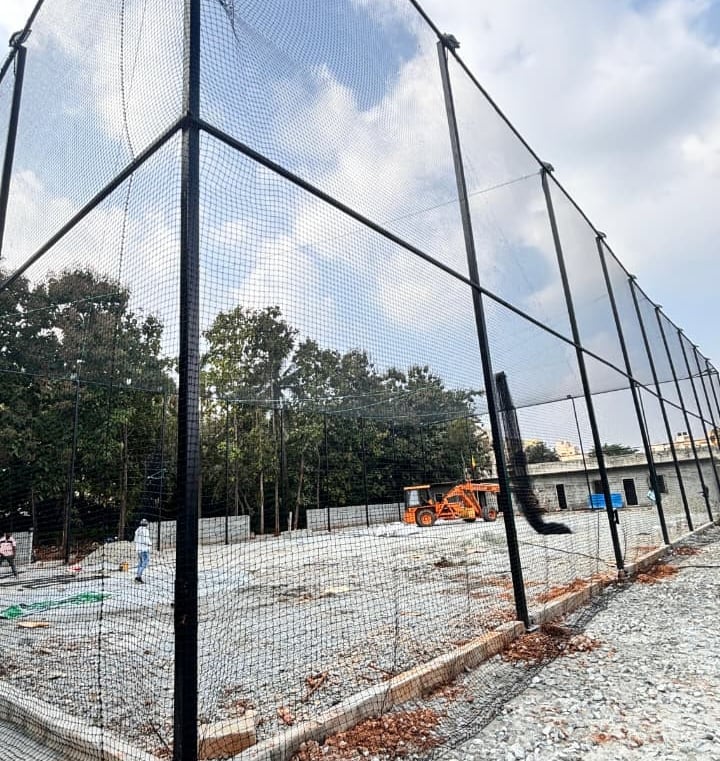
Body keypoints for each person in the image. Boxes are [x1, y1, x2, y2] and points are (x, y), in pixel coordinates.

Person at [133, 519, 151, 583]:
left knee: (140, 563)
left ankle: (138, 576)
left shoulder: (137, 530)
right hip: (144, 549)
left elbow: (135, 540)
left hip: (138, 549)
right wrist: (150, 544)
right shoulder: (145, 530)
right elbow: (146, 540)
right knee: (145, 563)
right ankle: (138, 577)